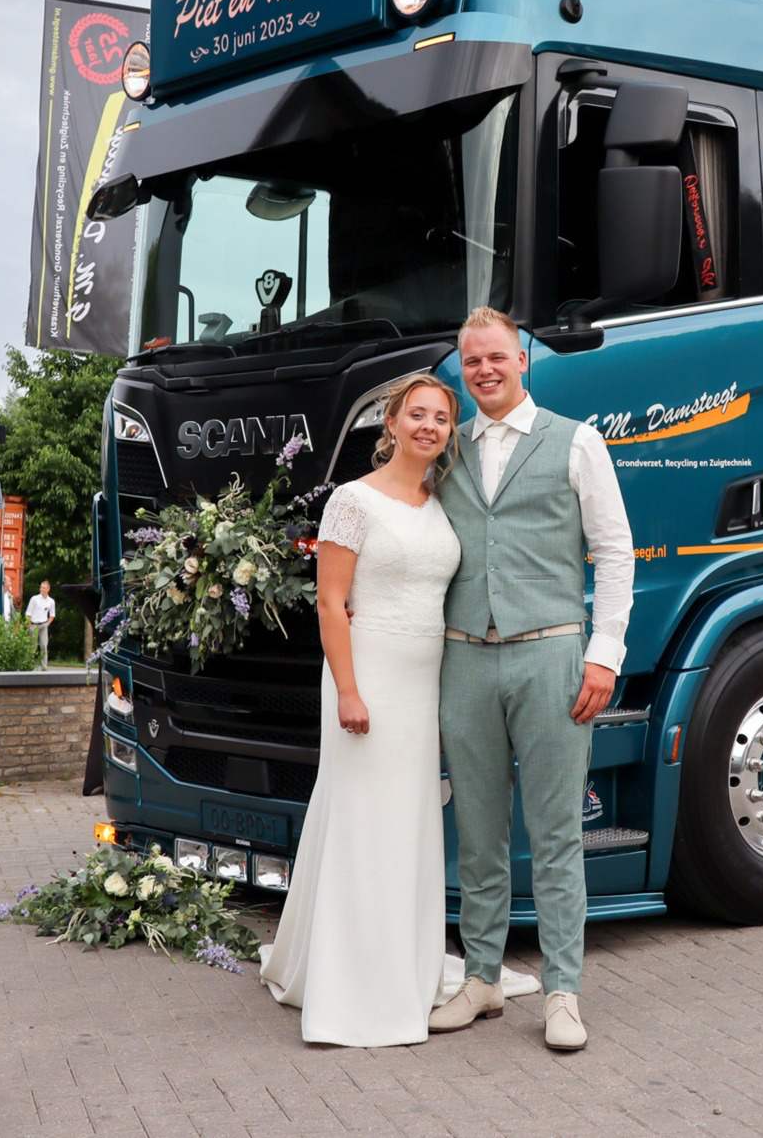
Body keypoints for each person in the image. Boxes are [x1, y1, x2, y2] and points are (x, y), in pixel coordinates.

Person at [428, 307, 635, 1051]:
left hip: (551, 656)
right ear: (462, 370)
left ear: (523, 360)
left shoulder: (576, 440)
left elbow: (614, 550)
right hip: (464, 659)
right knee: (478, 835)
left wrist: (604, 653)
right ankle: (482, 978)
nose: (484, 370)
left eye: (496, 357)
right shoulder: (446, 449)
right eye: (471, 361)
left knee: (555, 837)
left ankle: (562, 992)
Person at [258, 373, 472, 1047]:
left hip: (424, 682)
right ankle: (353, 982)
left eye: (441, 418)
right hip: (368, 676)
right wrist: (348, 690)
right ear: (393, 422)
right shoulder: (352, 501)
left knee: (410, 822)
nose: (429, 426)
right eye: (418, 414)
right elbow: (330, 603)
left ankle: (405, 962)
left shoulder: (442, 503)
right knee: (364, 819)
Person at [25, 580, 56, 669]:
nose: (42, 589)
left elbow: (52, 615)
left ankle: (44, 667)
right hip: (34, 625)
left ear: (48, 589)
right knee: (32, 647)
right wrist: (29, 625)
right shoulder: (34, 599)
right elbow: (28, 613)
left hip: (43, 625)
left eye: (44, 588)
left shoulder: (51, 601)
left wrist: (47, 624)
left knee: (44, 646)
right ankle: (29, 666)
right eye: (41, 587)